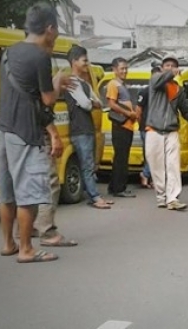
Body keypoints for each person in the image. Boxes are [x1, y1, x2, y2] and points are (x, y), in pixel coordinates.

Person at [0, 2, 72, 264]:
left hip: (2, 131)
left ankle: (9, 244)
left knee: (7, 194)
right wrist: (58, 83)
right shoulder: (40, 57)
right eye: (56, 30)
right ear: (49, 29)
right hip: (25, 133)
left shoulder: (8, 52)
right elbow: (47, 100)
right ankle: (27, 249)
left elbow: (24, 93)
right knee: (28, 195)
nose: (56, 35)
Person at [145, 54, 188, 210]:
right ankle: (161, 197)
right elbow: (160, 79)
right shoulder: (155, 81)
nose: (170, 68)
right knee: (156, 167)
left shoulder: (178, 89)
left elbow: (187, 113)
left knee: (173, 165)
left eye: (173, 65)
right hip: (153, 130)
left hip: (172, 131)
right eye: (167, 65)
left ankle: (172, 199)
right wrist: (170, 72)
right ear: (161, 68)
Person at [65, 45, 114, 209]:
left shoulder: (84, 83)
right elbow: (87, 104)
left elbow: (99, 102)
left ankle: (94, 195)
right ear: (74, 62)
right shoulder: (71, 82)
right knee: (87, 164)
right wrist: (92, 103)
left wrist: (92, 103)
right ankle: (94, 197)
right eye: (84, 60)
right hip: (79, 129)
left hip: (87, 128)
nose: (87, 63)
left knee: (90, 164)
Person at [106, 57, 137, 198]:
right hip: (121, 126)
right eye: (122, 68)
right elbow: (111, 104)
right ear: (114, 70)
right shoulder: (114, 84)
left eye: (126, 68)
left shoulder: (122, 85)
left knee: (121, 157)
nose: (124, 71)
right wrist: (128, 113)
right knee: (121, 158)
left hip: (127, 126)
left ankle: (114, 186)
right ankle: (119, 188)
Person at [135, 62, 160, 189]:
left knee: (153, 154)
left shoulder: (161, 92)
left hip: (157, 128)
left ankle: (148, 177)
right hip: (147, 128)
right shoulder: (144, 92)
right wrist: (141, 125)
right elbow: (138, 111)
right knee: (152, 154)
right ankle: (145, 174)